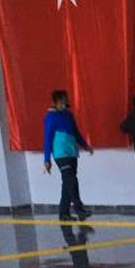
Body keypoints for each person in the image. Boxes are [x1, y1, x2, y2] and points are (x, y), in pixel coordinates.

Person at [43, 90, 92, 221]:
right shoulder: (50, 117)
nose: (65, 102)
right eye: (62, 100)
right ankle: (79, 209)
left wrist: (85, 145)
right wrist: (46, 159)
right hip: (60, 154)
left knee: (67, 183)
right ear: (56, 102)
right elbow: (47, 138)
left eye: (65, 99)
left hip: (71, 152)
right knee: (72, 180)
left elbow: (76, 132)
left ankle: (63, 213)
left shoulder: (68, 115)